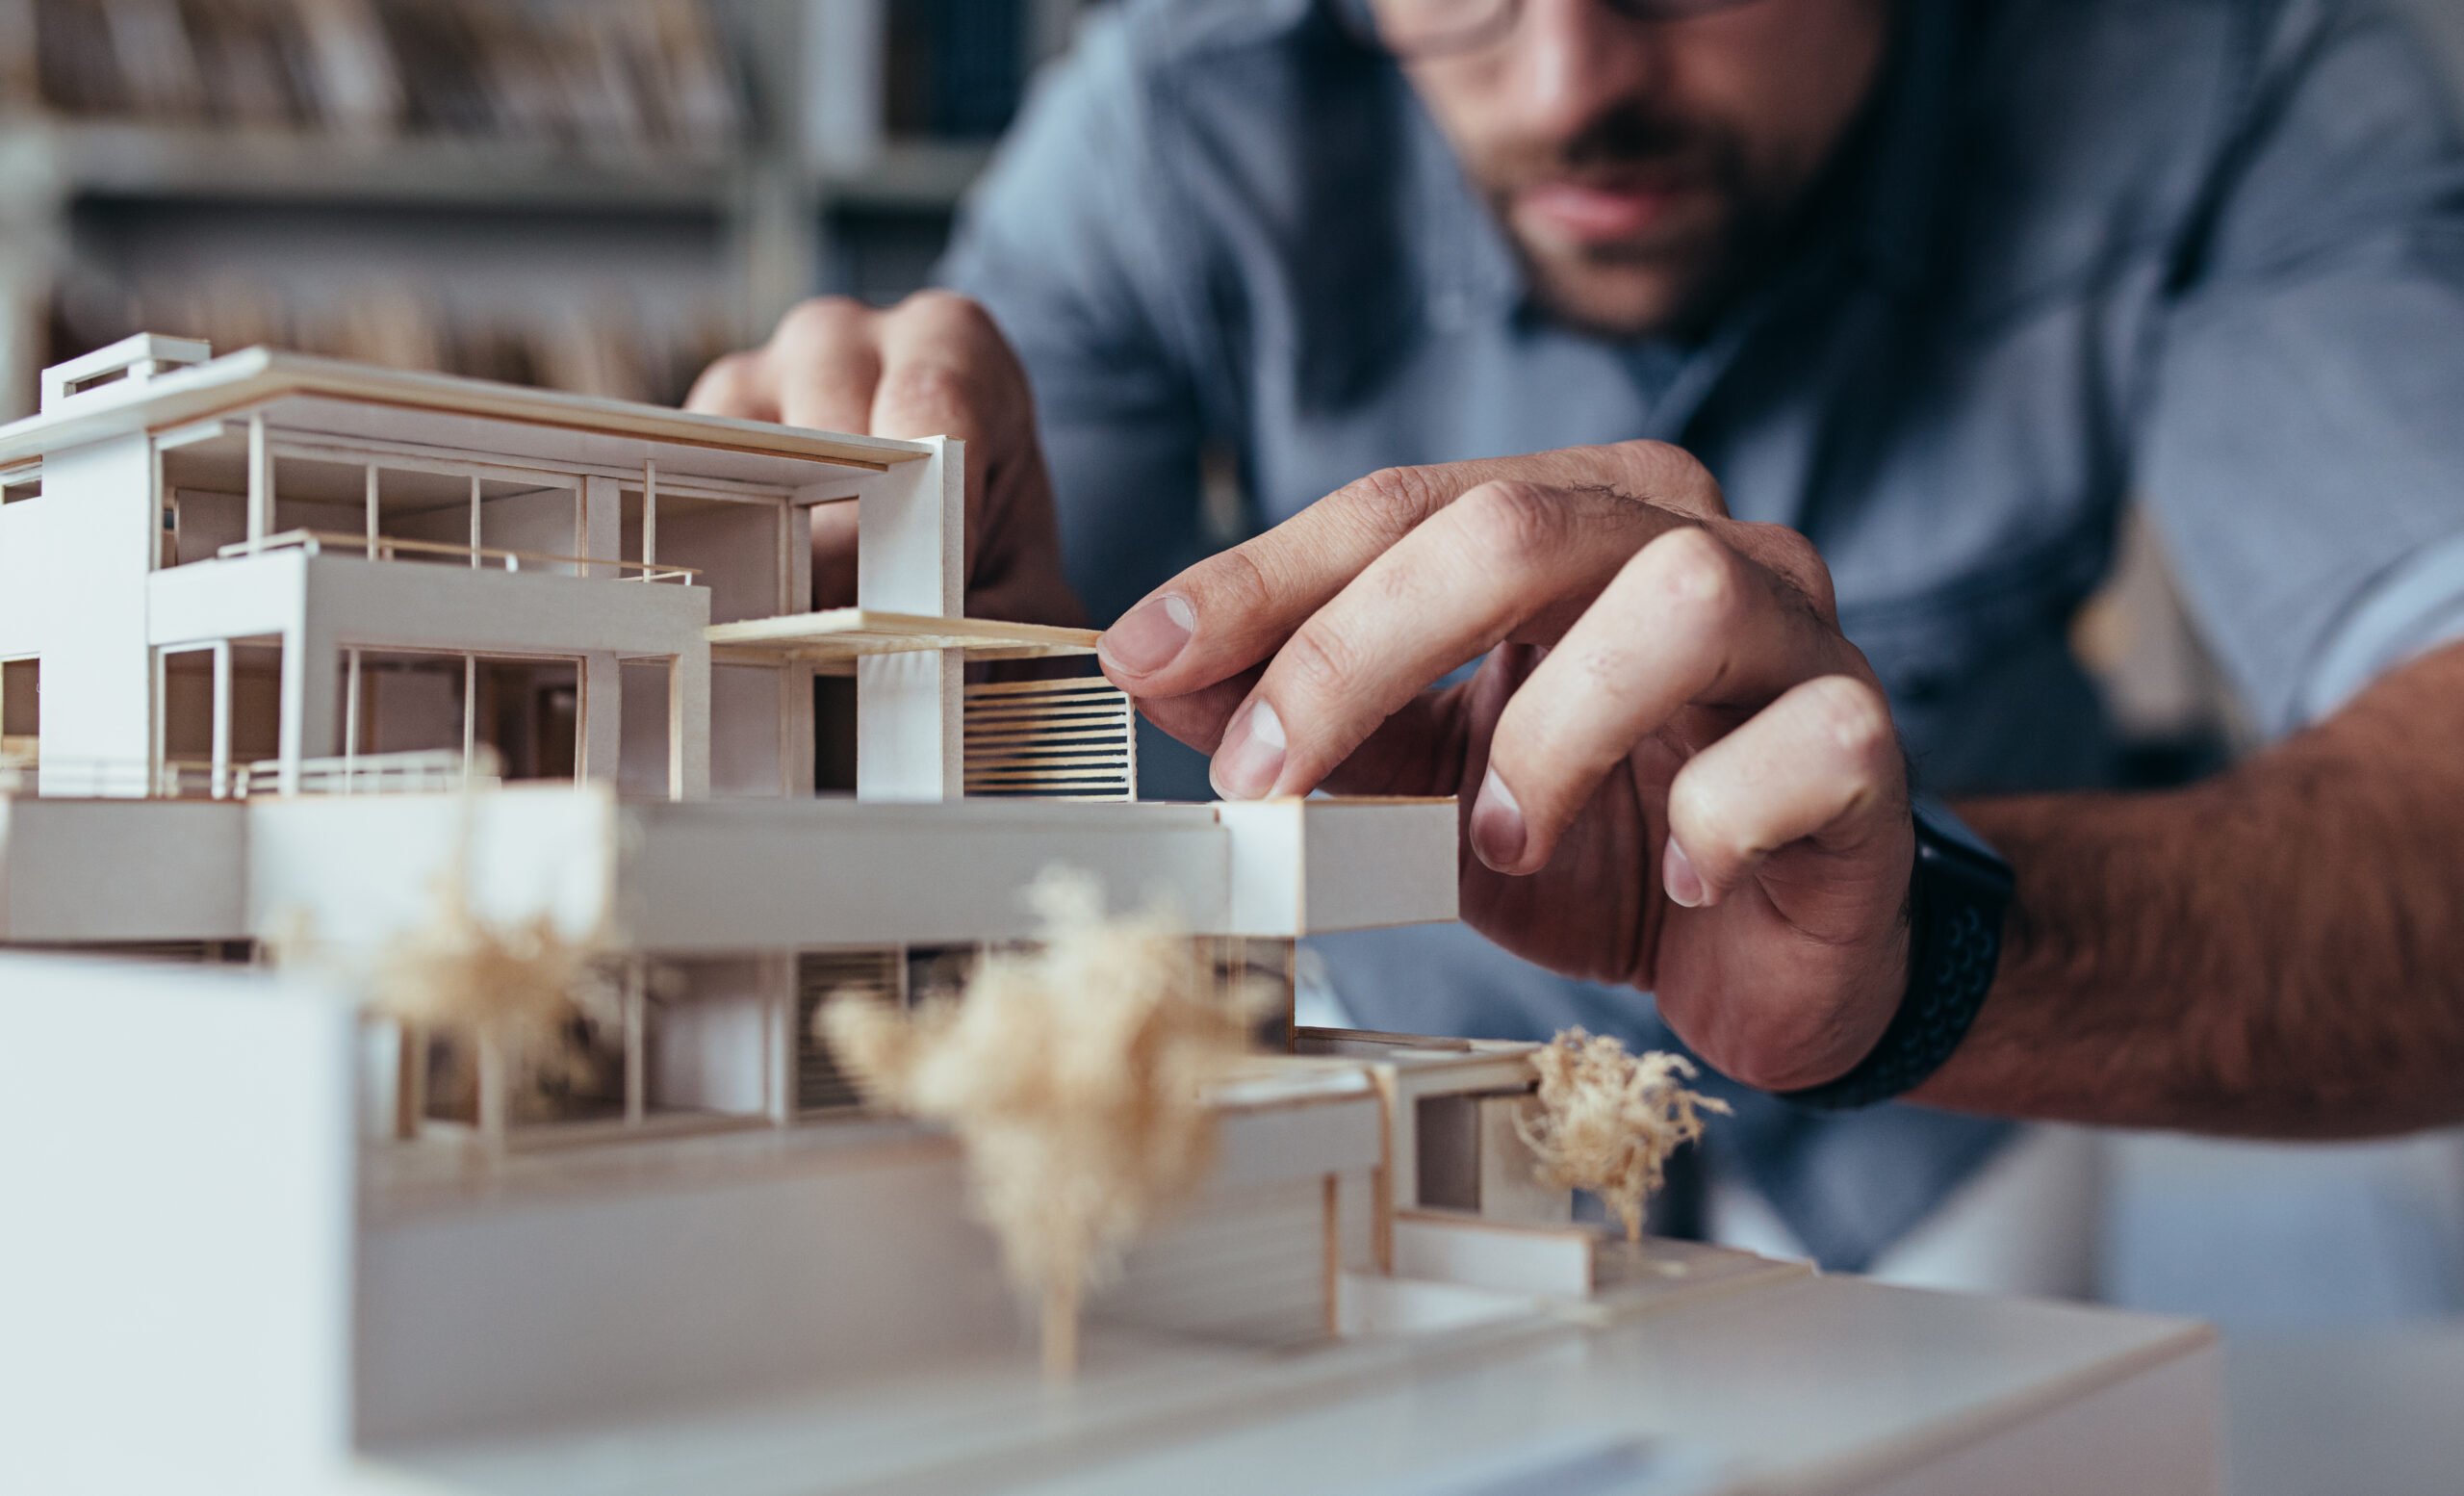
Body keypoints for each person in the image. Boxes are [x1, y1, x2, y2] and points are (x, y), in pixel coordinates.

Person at [687, 0, 2464, 1274]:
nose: (1569, 81)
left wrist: (1915, 957)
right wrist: (908, 667)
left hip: (1962, 1131)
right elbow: (1030, 677)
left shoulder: (2231, 66)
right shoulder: (1172, 103)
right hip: (1400, 1085)